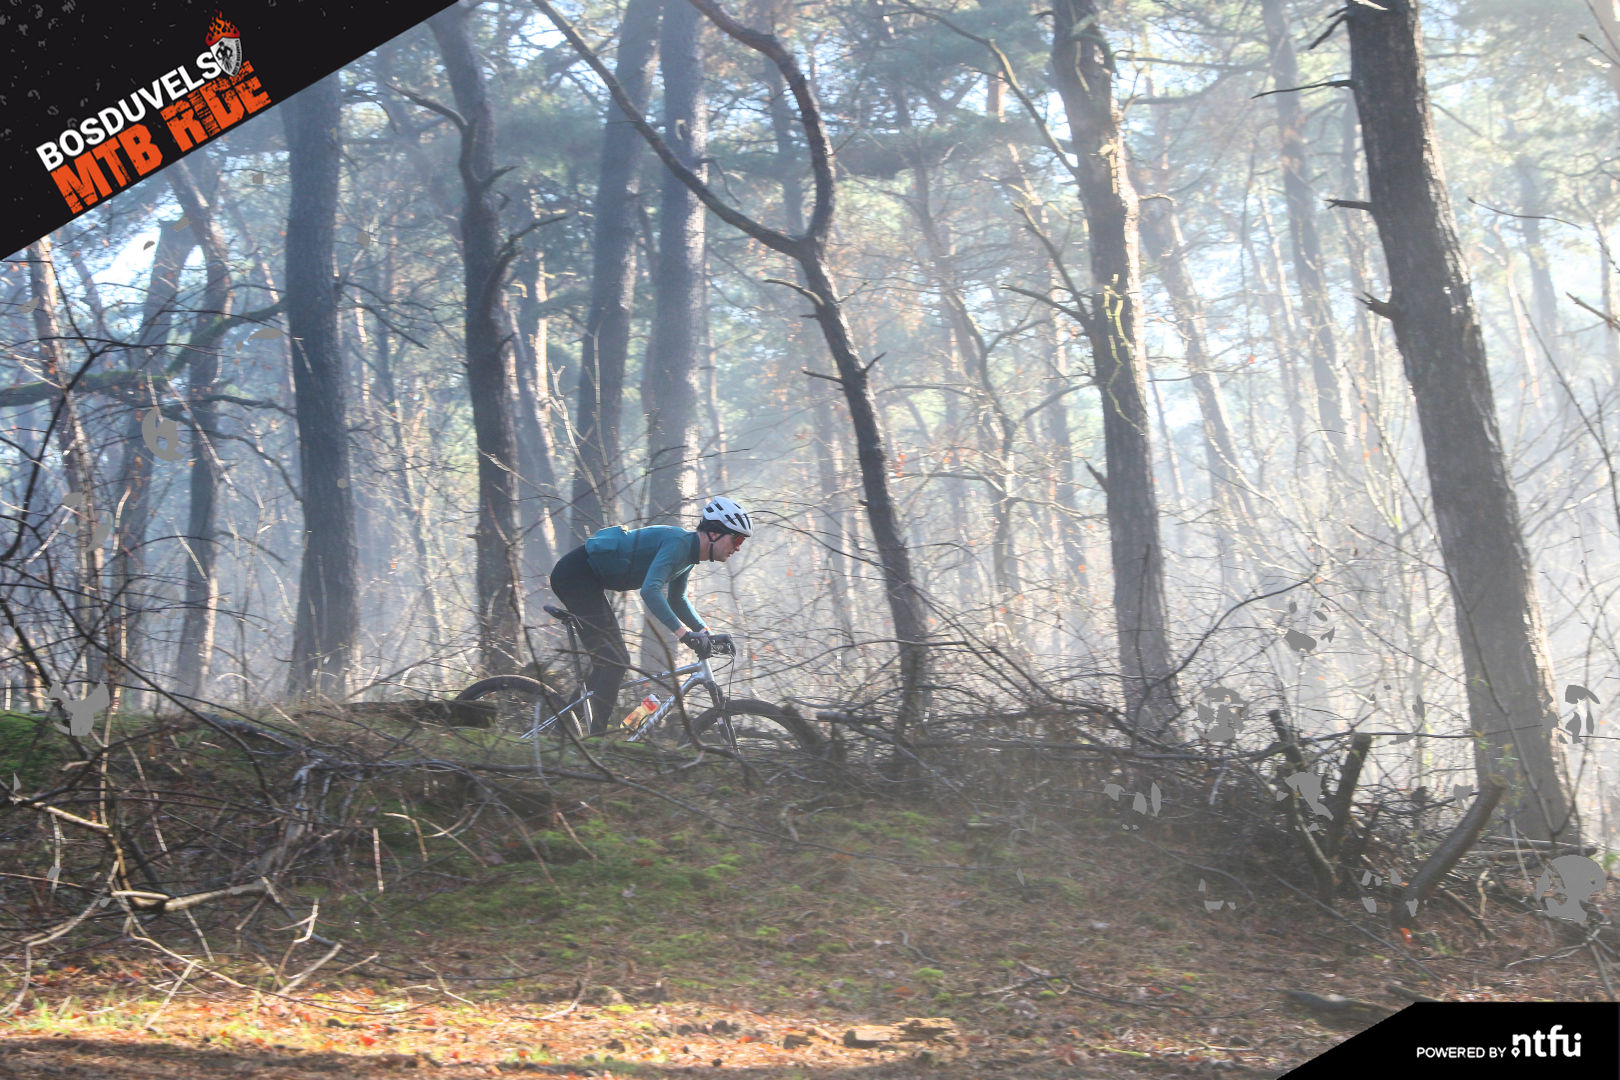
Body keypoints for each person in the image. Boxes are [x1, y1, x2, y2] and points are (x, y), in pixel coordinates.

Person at [548, 496, 752, 733]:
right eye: (737, 539)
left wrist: (706, 632)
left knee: (608, 663)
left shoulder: (688, 555)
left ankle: (563, 731)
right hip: (575, 575)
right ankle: (596, 740)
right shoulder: (679, 544)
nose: (738, 547)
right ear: (714, 533)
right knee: (616, 660)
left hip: (586, 580)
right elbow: (650, 590)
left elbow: (677, 599)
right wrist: (684, 634)